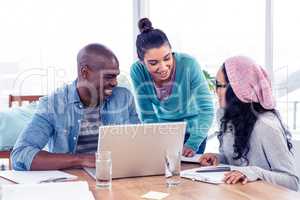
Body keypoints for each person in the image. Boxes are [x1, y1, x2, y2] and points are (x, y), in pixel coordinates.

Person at [11, 43, 140, 171]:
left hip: (115, 179)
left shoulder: (124, 98)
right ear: (85, 72)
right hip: (71, 183)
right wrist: (82, 160)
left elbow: (139, 143)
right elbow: (20, 155)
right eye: (108, 77)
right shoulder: (53, 104)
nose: (115, 83)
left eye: (116, 76)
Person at [199, 56, 299, 191]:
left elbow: (292, 181)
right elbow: (237, 162)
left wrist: (255, 173)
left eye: (219, 85)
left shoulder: (266, 125)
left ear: (238, 89)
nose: (215, 91)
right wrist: (218, 158)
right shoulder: (226, 116)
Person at [130, 18, 214, 157]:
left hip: (194, 132)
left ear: (171, 51)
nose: (163, 67)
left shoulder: (188, 64)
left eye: (167, 58)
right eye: (153, 63)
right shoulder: (137, 71)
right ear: (142, 61)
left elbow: (207, 109)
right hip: (163, 133)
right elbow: (147, 114)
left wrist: (192, 144)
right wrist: (160, 142)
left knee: (187, 175)